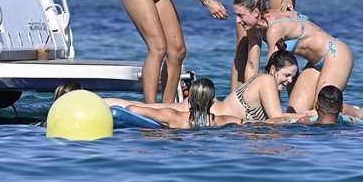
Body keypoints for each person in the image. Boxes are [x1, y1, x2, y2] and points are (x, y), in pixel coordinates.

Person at [232, 0, 357, 117]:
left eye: (240, 15)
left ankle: (360, 113)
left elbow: (273, 72)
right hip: (314, 64)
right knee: (296, 114)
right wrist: (247, 101)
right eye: (236, 15)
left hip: (335, 54)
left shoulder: (274, 29)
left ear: (256, 12)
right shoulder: (253, 28)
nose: (237, 21)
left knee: (320, 110)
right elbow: (252, 65)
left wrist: (268, 109)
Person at [107, 47, 299, 121]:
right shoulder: (266, 81)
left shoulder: (265, 81)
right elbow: (277, 120)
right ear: (273, 69)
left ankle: (103, 102)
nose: (289, 81)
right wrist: (306, 118)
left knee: (151, 108)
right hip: (208, 111)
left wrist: (307, 114)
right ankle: (103, 103)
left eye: (292, 77)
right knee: (148, 109)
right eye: (287, 75)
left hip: (209, 108)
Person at [126, 78, 243, 129]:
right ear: (212, 101)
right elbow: (253, 123)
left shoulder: (173, 116)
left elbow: (131, 109)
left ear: (190, 99)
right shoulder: (221, 120)